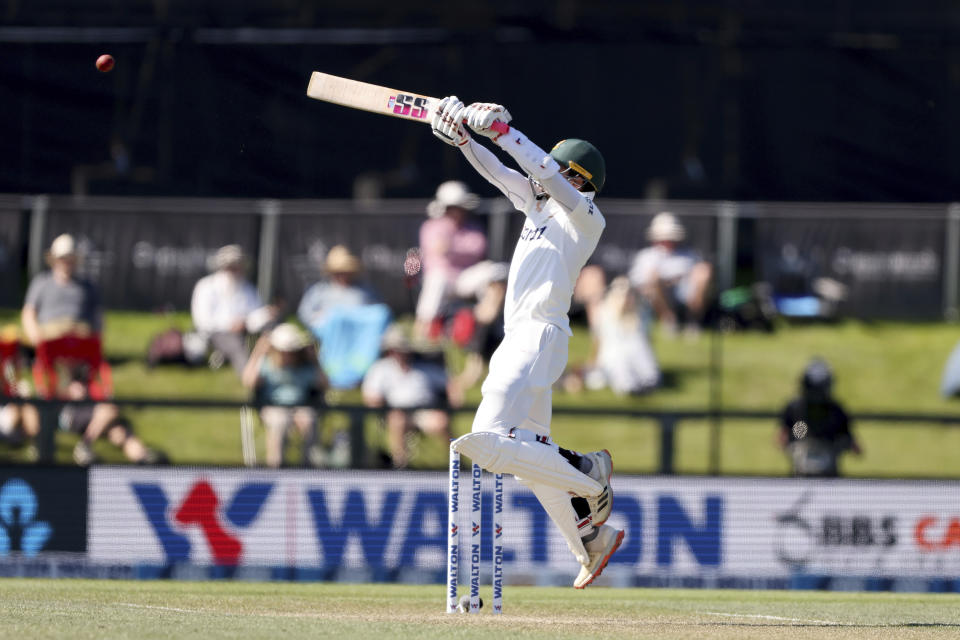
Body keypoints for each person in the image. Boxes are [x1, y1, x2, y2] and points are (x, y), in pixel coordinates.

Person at [431, 97, 623, 588]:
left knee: (486, 439)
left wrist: (500, 130)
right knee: (530, 461)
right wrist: (463, 138)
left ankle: (589, 479)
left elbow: (537, 166)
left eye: (559, 169)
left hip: (540, 335)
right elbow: (499, 172)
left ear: (579, 178)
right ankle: (589, 542)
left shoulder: (584, 217)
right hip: (521, 339)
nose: (544, 175)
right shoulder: (536, 207)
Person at [361, 325, 452, 469]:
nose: (402, 353)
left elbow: (449, 382)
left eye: (404, 349)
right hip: (398, 413)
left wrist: (454, 395)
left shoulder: (423, 368)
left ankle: (455, 463)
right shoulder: (380, 369)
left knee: (440, 421)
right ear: (390, 351)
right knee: (398, 419)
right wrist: (383, 410)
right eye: (397, 349)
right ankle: (400, 465)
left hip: (424, 412)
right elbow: (371, 397)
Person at [242, 323, 327, 469]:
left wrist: (315, 359)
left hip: (301, 406)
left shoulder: (306, 366)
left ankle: (308, 469)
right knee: (279, 422)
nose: (287, 354)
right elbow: (248, 381)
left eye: (291, 351)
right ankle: (276, 470)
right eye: (284, 350)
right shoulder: (267, 364)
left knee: (309, 420)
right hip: (273, 407)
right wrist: (258, 352)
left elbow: (325, 384)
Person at [414, 181, 487, 340]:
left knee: (494, 274)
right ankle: (423, 331)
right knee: (438, 280)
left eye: (460, 207)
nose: (457, 211)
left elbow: (479, 249)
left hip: (464, 278)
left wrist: (451, 249)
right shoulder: (432, 226)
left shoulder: (473, 226)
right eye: (453, 207)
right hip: (441, 278)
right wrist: (461, 250)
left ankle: (484, 329)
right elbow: (437, 249)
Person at [190, 244, 272, 375]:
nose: (235, 271)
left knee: (272, 330)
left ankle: (282, 368)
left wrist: (266, 315)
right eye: (230, 267)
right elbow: (202, 322)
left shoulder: (248, 288)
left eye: (237, 267)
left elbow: (256, 312)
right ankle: (250, 376)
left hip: (247, 331)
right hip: (217, 334)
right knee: (236, 346)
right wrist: (230, 326)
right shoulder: (205, 287)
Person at [628, 211, 713, 334]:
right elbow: (637, 282)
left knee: (703, 271)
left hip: (686, 291)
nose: (668, 241)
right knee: (654, 280)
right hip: (655, 295)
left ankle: (693, 321)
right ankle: (668, 321)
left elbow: (698, 274)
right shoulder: (645, 256)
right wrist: (662, 283)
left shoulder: (689, 254)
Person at [59, 366, 163, 466]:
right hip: (73, 412)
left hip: (95, 412)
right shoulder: (67, 364)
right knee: (108, 409)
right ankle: (84, 445)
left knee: (120, 432)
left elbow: (105, 394)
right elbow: (63, 391)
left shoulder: (97, 369)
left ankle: (143, 458)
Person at [778, 358, 862, 477]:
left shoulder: (836, 412)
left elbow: (854, 446)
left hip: (829, 477)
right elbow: (783, 439)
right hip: (801, 475)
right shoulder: (795, 411)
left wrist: (842, 444)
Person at [22, 234, 102, 345]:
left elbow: (97, 316)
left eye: (70, 258)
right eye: (63, 258)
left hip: (79, 334)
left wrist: (96, 341)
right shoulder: (41, 283)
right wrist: (36, 337)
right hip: (50, 334)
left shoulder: (88, 285)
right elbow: (29, 313)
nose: (66, 263)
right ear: (54, 259)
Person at [297, 245, 379, 331]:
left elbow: (377, 313)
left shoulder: (365, 291)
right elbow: (305, 314)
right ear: (332, 273)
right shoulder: (319, 291)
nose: (343, 276)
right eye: (339, 272)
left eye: (346, 272)